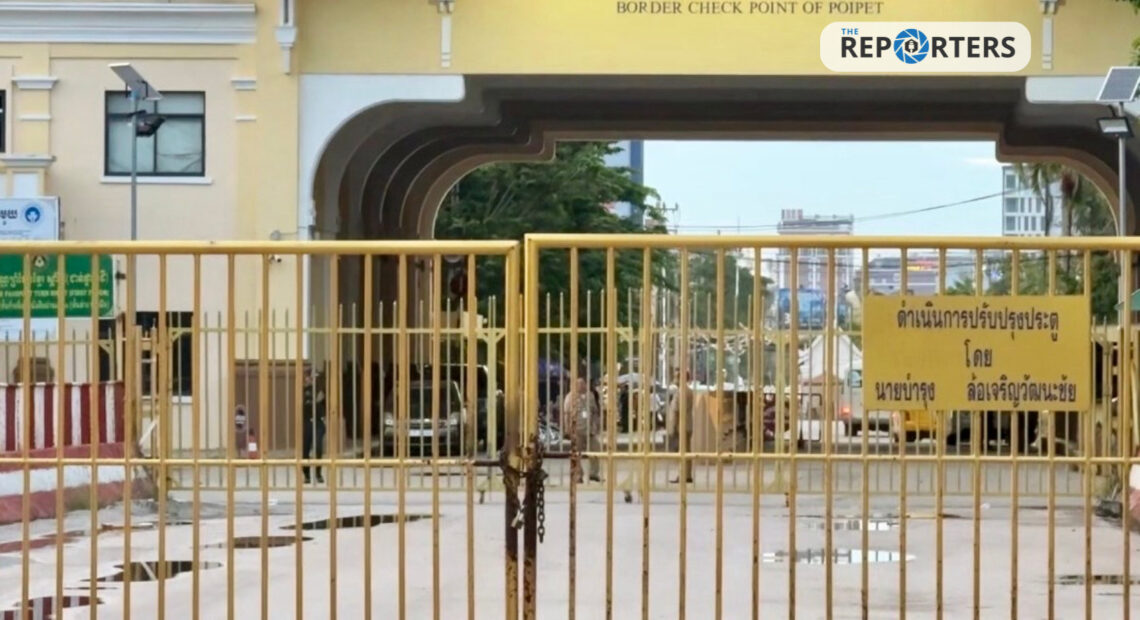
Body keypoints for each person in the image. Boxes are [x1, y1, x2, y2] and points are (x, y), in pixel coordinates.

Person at [563, 376, 602, 483]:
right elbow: (566, 414)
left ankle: (594, 473)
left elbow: (595, 412)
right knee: (576, 453)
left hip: (590, 430)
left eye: (583, 383)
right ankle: (578, 475)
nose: (581, 386)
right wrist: (567, 429)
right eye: (578, 384)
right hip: (577, 430)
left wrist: (597, 425)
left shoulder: (590, 396)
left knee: (596, 450)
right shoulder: (570, 397)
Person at [666, 369, 694, 484]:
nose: (674, 379)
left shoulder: (681, 392)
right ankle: (687, 474)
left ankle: (683, 475)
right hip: (687, 424)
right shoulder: (688, 391)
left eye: (676, 377)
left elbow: (677, 411)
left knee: (681, 451)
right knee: (686, 450)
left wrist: (674, 427)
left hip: (681, 425)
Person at [301, 368, 327, 484]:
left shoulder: (320, 390)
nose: (310, 379)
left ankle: (318, 473)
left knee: (318, 447)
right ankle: (306, 475)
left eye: (313, 377)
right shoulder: (303, 390)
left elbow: (323, 402)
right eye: (309, 377)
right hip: (307, 422)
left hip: (318, 422)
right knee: (305, 449)